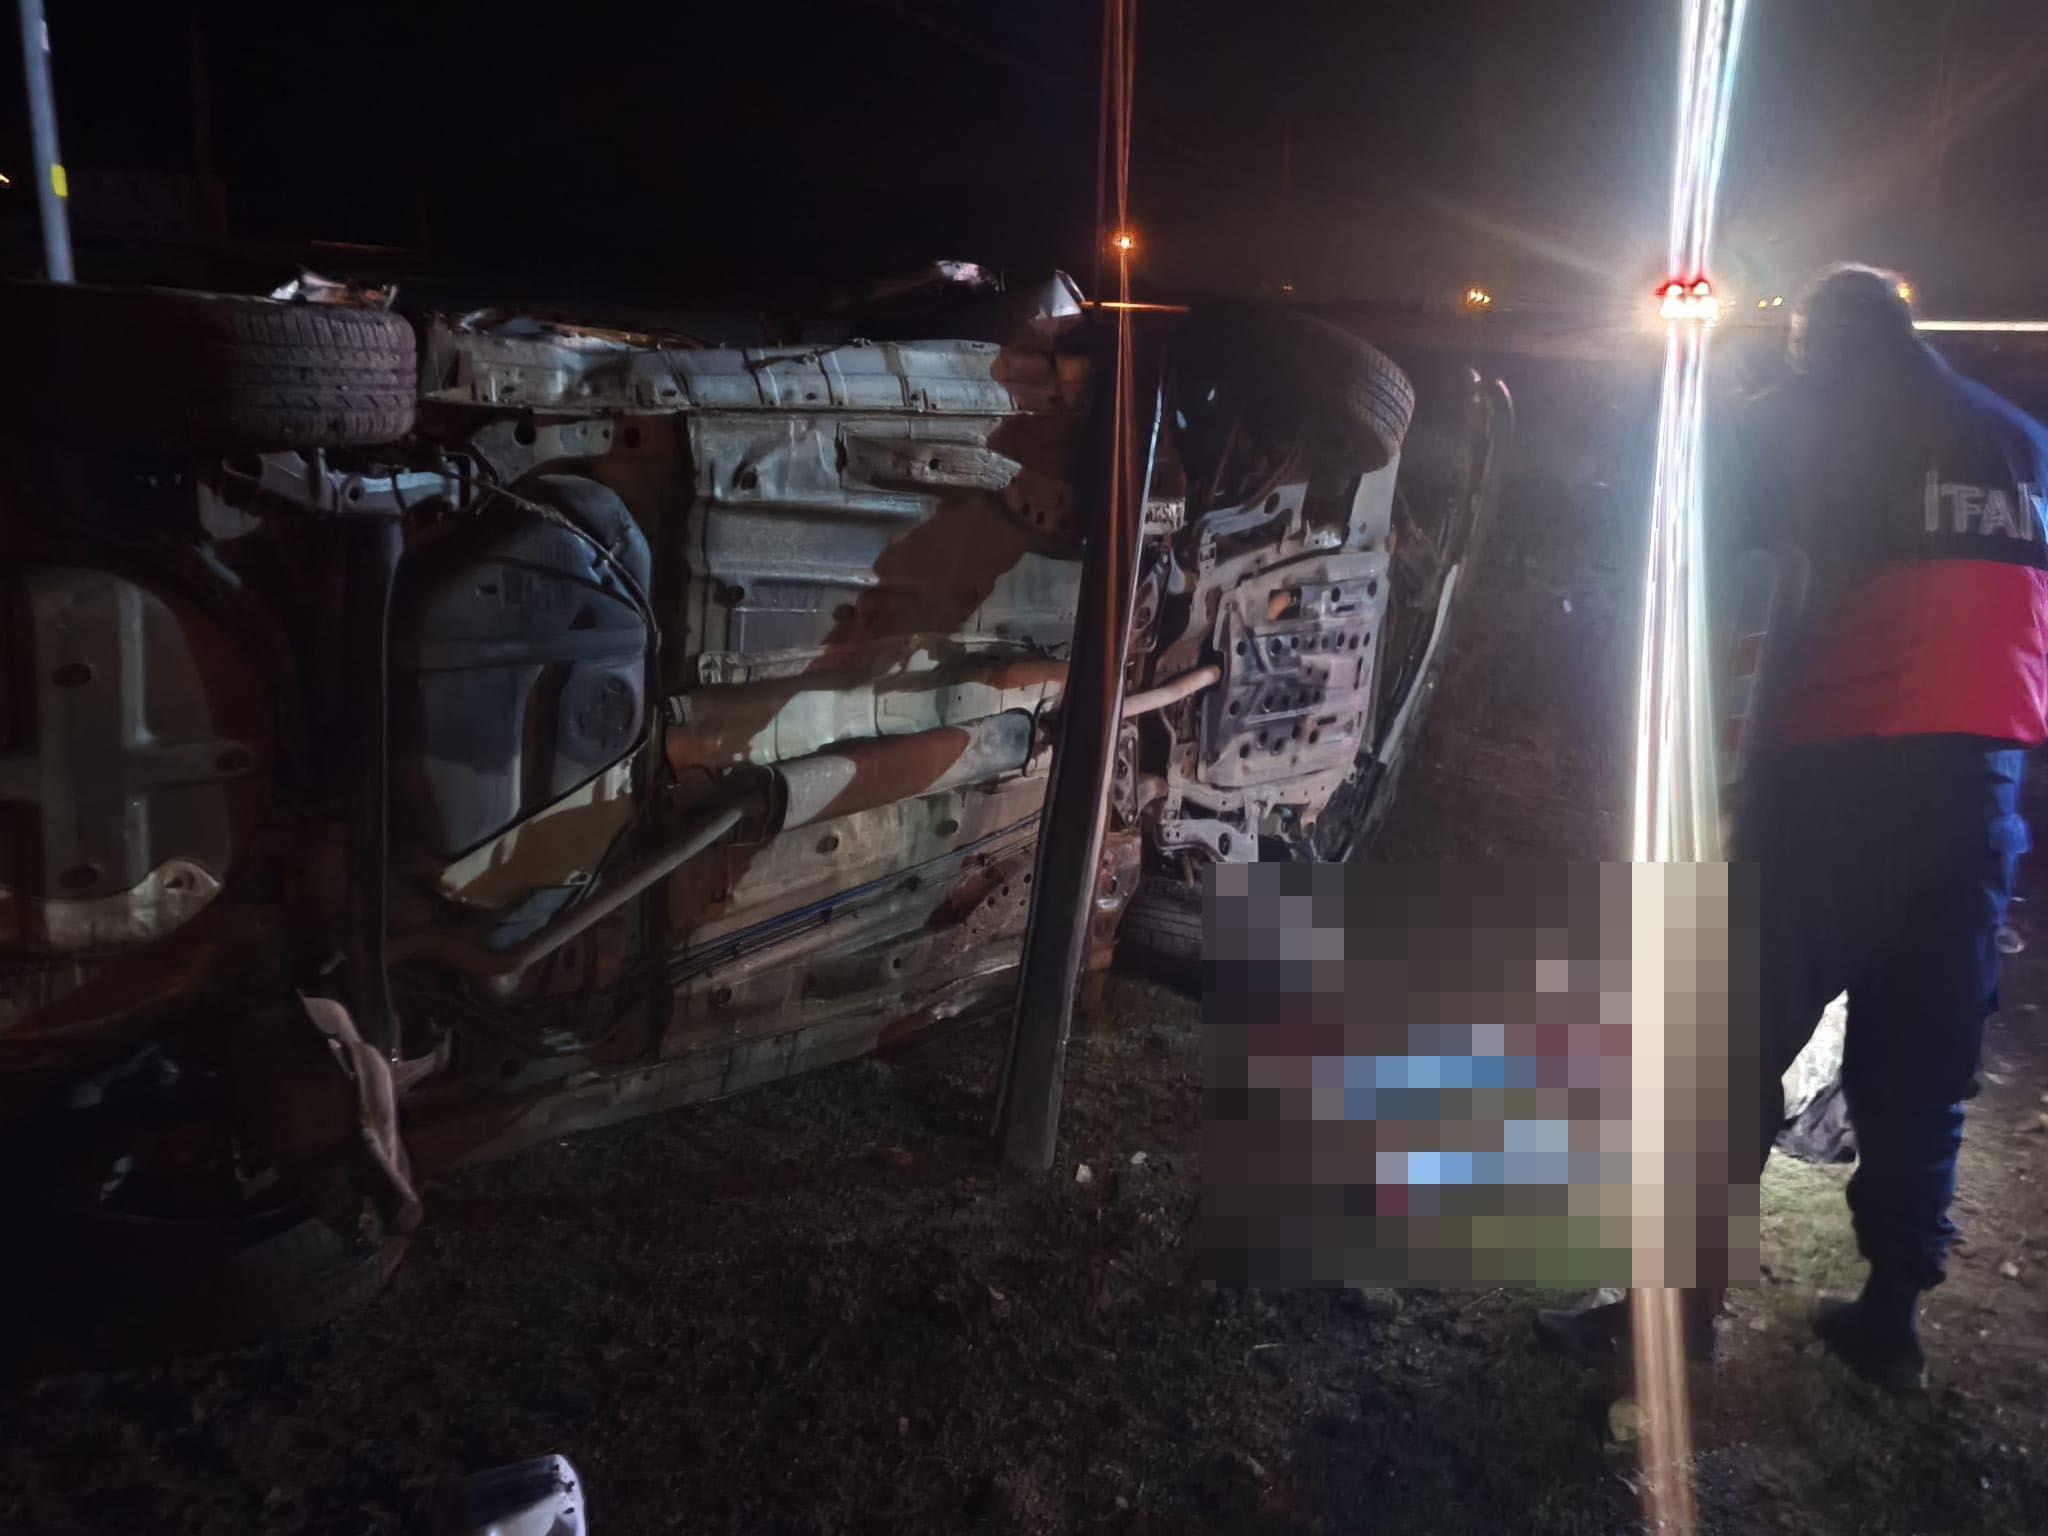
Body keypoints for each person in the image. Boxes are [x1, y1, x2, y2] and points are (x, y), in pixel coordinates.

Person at [1542, 264, 2048, 1391]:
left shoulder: (1815, 413)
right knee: (1922, 1062)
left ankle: (1679, 1313)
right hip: (1981, 800)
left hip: (1835, 783)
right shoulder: (2019, 441)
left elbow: (1688, 528)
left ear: (1821, 340)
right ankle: (1890, 1321)